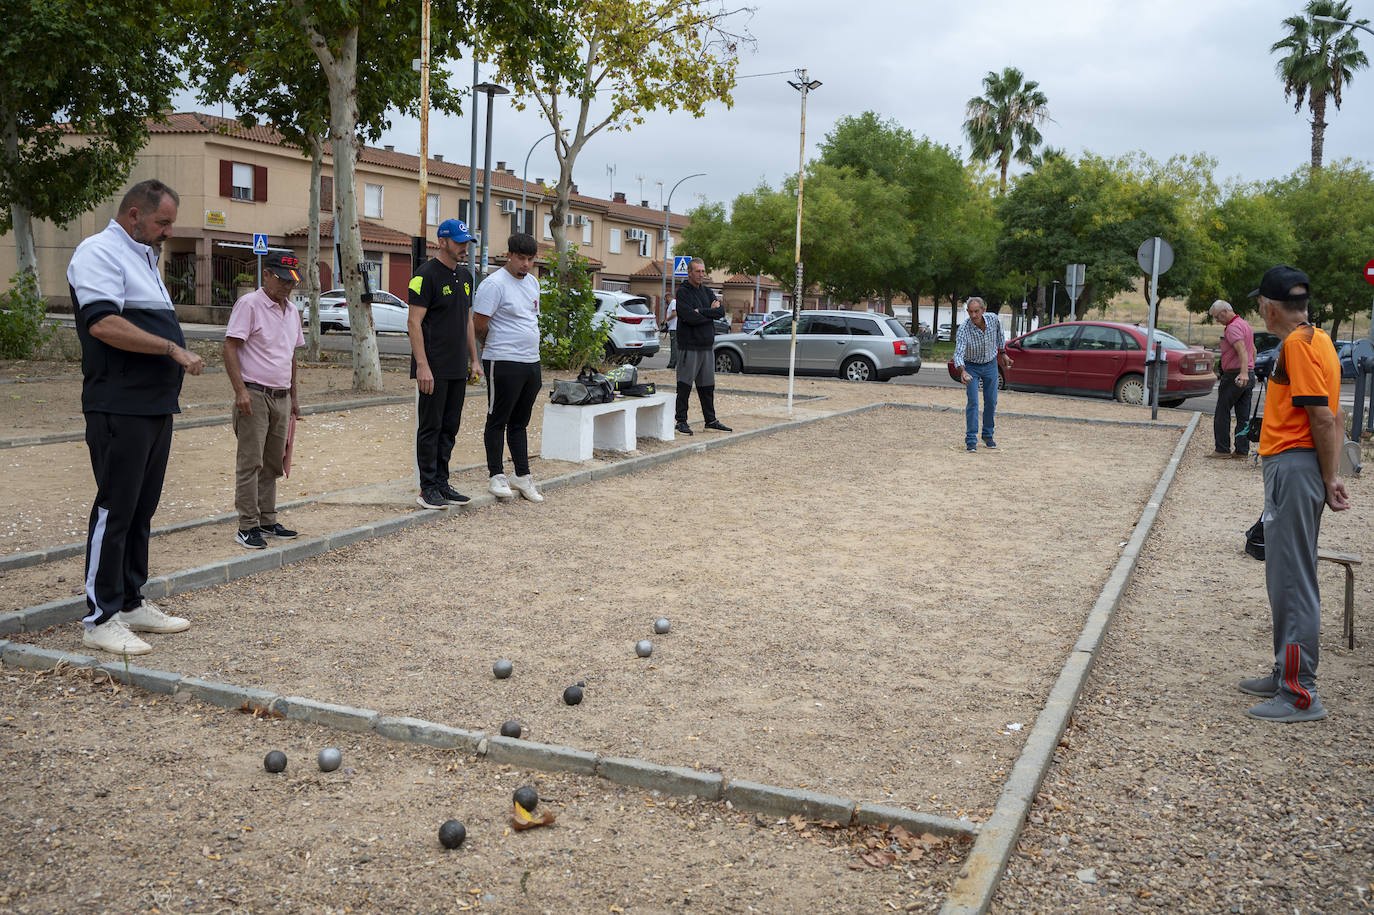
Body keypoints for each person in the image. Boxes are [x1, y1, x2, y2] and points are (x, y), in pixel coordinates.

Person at [67, 179, 204, 656]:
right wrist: (171, 348)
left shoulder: (144, 255)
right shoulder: (98, 252)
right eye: (162, 222)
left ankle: (129, 601)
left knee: (142, 509)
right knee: (115, 508)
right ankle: (99, 617)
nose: (168, 232)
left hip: (154, 404)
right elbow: (103, 323)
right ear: (133, 215)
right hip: (118, 403)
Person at [1238, 265, 1349, 723]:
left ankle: (1300, 692)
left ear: (1268, 307)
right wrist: (1332, 473)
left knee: (1293, 579)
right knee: (1286, 574)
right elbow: (1335, 417)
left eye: (1259, 303)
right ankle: (1287, 670)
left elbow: (1322, 418)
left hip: (1295, 462)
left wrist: (1328, 478)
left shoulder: (1297, 348)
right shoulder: (1318, 339)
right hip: (1302, 464)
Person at [223, 252, 305, 549]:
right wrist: (240, 391)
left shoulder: (292, 311)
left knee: (273, 462)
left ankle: (267, 520)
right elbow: (230, 347)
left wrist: (294, 395)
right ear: (266, 275)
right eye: (283, 281)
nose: (288, 287)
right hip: (255, 394)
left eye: (292, 282)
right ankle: (247, 525)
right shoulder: (249, 305)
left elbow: (291, 354)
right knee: (250, 461)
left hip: (281, 395)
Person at [408, 218, 482, 510]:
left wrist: (474, 359)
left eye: (467, 242)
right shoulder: (425, 275)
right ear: (442, 242)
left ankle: (441, 482)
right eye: (459, 242)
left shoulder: (465, 277)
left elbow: (466, 320)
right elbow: (414, 323)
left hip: (456, 366)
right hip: (433, 366)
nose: (464, 247)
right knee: (431, 426)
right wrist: (422, 365)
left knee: (450, 426)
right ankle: (427, 487)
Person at [473, 233, 544, 503]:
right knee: (498, 418)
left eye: (530, 259)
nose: (525, 264)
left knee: (520, 422)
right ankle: (496, 475)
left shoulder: (533, 282)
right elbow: (479, 323)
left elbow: (530, 318)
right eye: (521, 258)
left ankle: (522, 475)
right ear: (509, 255)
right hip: (502, 359)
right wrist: (487, 347)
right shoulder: (494, 284)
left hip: (530, 361)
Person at [673, 258, 730, 435]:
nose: (701, 275)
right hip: (688, 346)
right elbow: (689, 317)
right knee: (684, 386)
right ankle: (681, 421)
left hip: (706, 346)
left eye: (703, 271)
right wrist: (709, 313)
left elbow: (720, 312)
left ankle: (710, 420)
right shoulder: (682, 292)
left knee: (707, 387)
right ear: (689, 272)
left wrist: (702, 311)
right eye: (697, 271)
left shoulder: (707, 291)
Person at [952, 296, 1012, 452]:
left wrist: (1003, 352)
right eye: (970, 312)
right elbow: (958, 353)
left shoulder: (993, 319)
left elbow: (1000, 334)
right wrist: (962, 371)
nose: (973, 316)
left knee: (991, 401)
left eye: (976, 311)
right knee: (973, 402)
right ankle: (971, 440)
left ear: (983, 310)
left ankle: (988, 435)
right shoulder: (964, 329)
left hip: (991, 364)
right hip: (971, 366)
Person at [1208, 298, 1256, 459]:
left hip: (1235, 375)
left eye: (1217, 317)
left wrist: (1242, 373)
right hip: (1248, 373)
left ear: (1225, 312)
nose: (1217, 321)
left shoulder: (1232, 328)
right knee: (1243, 414)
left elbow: (1242, 350)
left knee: (1222, 411)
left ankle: (1222, 449)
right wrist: (1250, 370)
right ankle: (1242, 451)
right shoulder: (1245, 325)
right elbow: (1253, 350)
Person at [664, 296, 679, 369]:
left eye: (665, 299)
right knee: (676, 347)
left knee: (674, 347)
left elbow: (675, 313)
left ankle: (672, 363)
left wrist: (666, 320)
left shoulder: (673, 302)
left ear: (668, 297)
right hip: (674, 327)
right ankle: (675, 363)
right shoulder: (674, 303)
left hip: (674, 328)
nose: (665, 301)